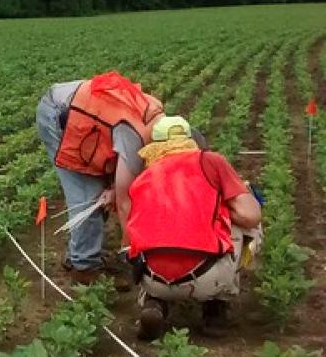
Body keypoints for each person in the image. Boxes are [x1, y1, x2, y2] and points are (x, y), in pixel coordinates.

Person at [126, 115, 262, 339]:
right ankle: (216, 308)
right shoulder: (211, 161)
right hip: (206, 277)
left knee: (152, 228)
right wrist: (223, 209)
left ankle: (154, 301)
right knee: (244, 227)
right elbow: (251, 216)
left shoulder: (143, 176)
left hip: (151, 278)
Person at [35, 71, 165, 284]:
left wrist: (114, 188)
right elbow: (125, 203)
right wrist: (131, 252)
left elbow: (128, 177)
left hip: (89, 114)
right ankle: (84, 267)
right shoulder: (134, 135)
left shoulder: (157, 117)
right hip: (61, 114)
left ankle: (81, 251)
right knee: (89, 195)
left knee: (105, 191)